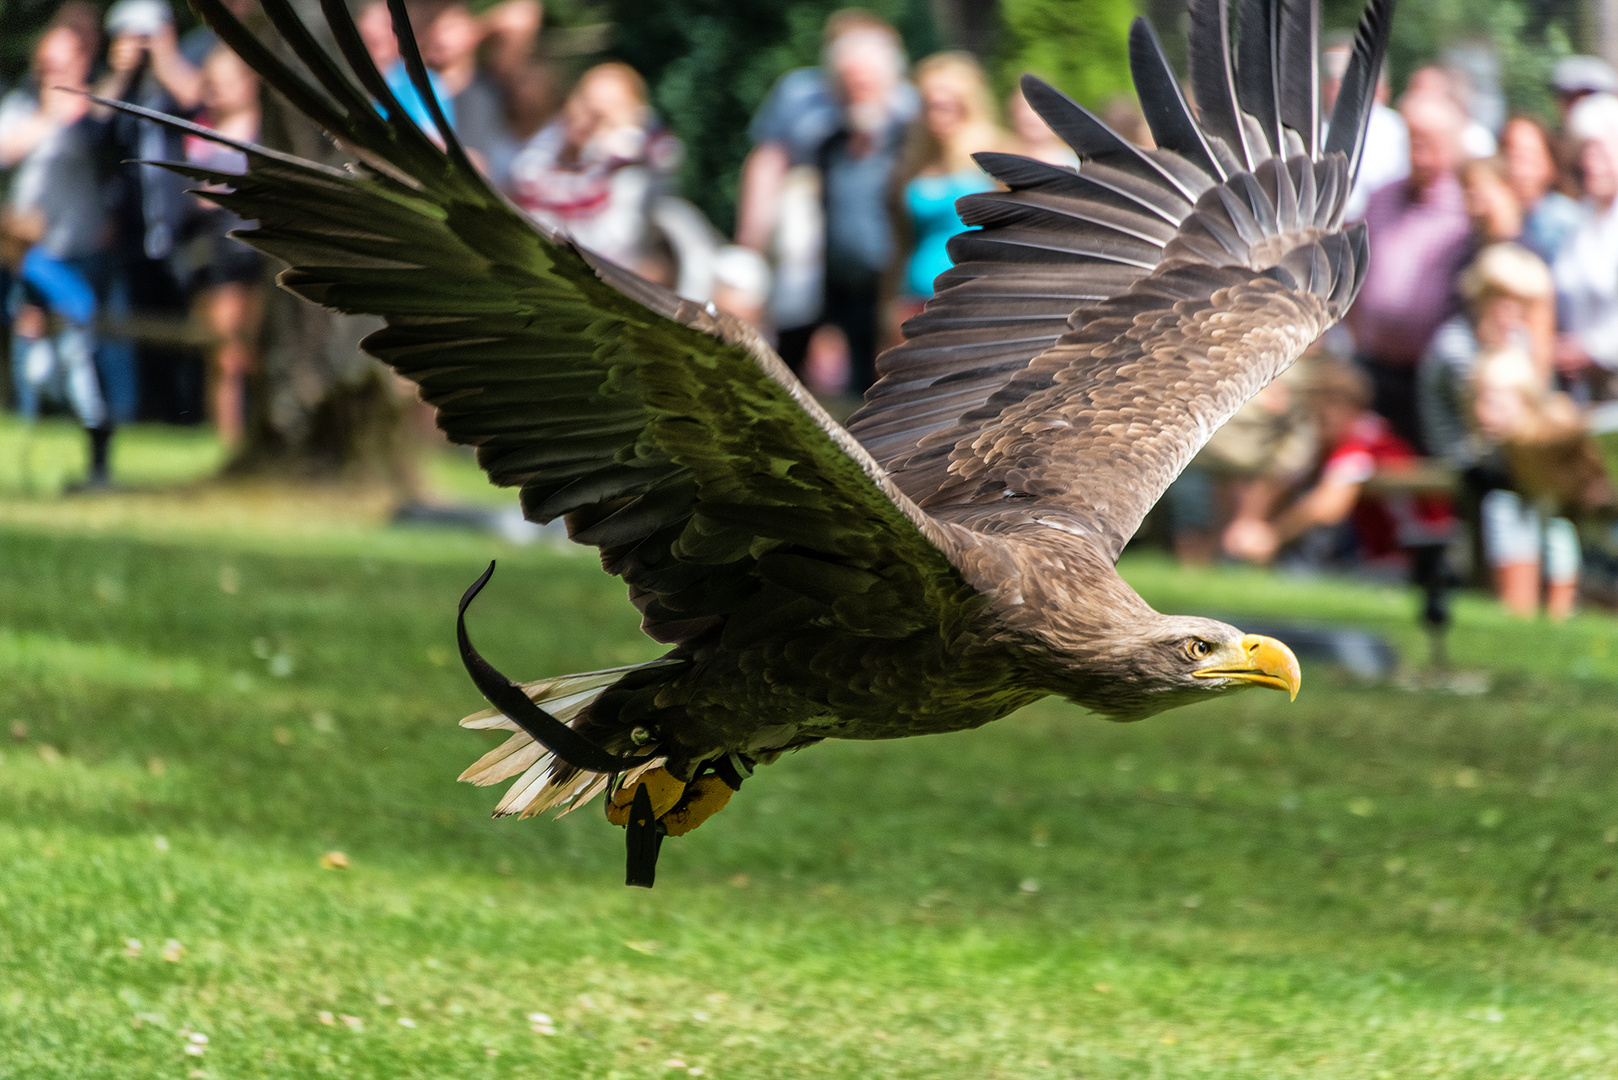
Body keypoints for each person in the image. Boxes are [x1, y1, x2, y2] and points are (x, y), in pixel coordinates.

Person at [738, 12, 918, 393]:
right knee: (787, 369)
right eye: (849, 80)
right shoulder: (815, 120)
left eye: (866, 81)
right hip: (814, 272)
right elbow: (768, 164)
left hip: (886, 277)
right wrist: (748, 250)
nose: (858, 88)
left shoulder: (910, 120)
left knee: (876, 379)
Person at [0, 20, 115, 485]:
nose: (52, 71)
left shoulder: (98, 113)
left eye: (62, 63)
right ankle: (34, 451)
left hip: (84, 255)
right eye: (47, 63)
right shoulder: (23, 108)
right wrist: (50, 115)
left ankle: (98, 457)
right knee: (39, 361)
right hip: (31, 257)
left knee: (78, 357)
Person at [1225, 363, 1453, 572]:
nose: (1326, 412)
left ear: (1357, 407)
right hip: (1385, 551)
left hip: (1421, 552)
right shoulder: (1327, 444)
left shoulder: (1365, 441)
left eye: (1336, 402)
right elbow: (1283, 475)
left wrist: (1273, 537)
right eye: (1319, 402)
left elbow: (1328, 506)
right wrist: (1248, 521)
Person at [1346, 91, 1475, 451]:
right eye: (1413, 140)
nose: (1419, 152)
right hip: (1371, 366)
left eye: (1429, 142)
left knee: (1436, 472)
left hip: (1433, 376)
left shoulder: (1467, 205)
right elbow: (1355, 265)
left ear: (1453, 144)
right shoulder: (1381, 198)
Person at [506, 63, 681, 273]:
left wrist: (622, 136)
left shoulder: (629, 170)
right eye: (583, 101)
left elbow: (666, 154)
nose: (586, 118)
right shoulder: (540, 152)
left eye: (601, 113)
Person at [183, 45, 265, 449]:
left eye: (223, 84)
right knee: (226, 355)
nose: (214, 93)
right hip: (221, 254)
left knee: (261, 350)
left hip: (263, 255)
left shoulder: (269, 131)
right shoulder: (201, 132)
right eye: (209, 85)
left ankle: (262, 435)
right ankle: (229, 440)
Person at [891, 52, 1008, 324]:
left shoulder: (997, 153)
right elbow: (901, 243)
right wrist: (890, 300)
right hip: (916, 298)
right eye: (929, 106)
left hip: (976, 300)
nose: (936, 116)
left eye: (946, 106)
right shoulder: (915, 161)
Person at [1552, 93, 1618, 401]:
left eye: (1601, 152)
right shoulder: (1581, 220)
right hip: (1583, 389)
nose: (1591, 163)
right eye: (1585, 152)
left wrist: (1593, 350)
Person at [1323, 33, 1406, 221]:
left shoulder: (1390, 127)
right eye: (1330, 79)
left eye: (1343, 79)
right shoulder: (1319, 127)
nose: (1335, 86)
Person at [1500, 115, 1580, 266]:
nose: (1518, 169)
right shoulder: (1499, 216)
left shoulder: (1565, 219)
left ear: (1549, 163)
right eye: (1511, 156)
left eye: (1526, 158)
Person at [1007, 83, 1077, 167]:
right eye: (1023, 108)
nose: (1029, 116)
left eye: (1037, 107)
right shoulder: (1002, 157)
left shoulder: (1075, 162)